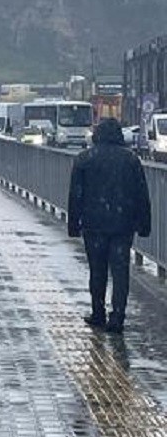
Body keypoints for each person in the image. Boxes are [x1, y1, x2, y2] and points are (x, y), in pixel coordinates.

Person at [67, 117, 152, 334]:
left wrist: (73, 224)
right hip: (123, 225)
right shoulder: (131, 160)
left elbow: (76, 195)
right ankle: (118, 316)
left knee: (97, 270)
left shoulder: (85, 159)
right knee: (120, 270)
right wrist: (144, 223)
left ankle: (98, 313)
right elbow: (142, 195)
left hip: (93, 224)